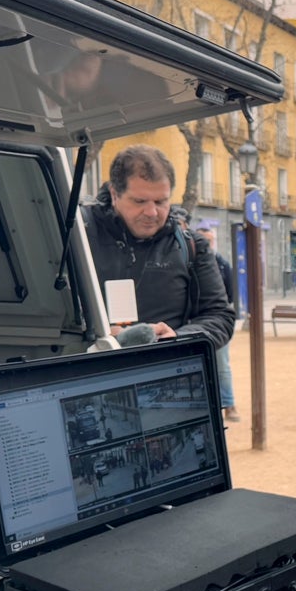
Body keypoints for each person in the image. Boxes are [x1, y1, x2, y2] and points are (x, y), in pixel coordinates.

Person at [83, 145, 234, 350]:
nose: (152, 212)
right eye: (140, 201)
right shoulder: (78, 237)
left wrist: (176, 338)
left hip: (165, 372)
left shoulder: (192, 245)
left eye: (161, 201)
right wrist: (95, 334)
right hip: (90, 374)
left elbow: (220, 316)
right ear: (114, 194)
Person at [196, 225, 240, 422]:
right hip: (193, 321)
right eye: (203, 239)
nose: (206, 243)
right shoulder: (188, 261)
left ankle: (229, 405)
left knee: (222, 365)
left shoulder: (222, 264)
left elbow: (230, 293)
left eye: (209, 240)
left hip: (215, 321)